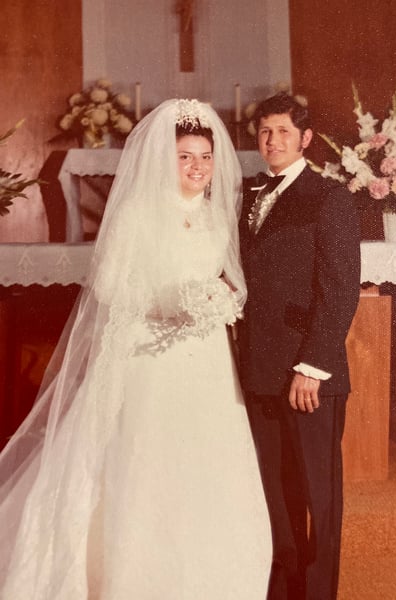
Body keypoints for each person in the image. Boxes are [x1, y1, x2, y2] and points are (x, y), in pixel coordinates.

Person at [0, 99, 272, 599]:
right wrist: (168, 304)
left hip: (207, 358)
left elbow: (229, 278)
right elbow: (108, 285)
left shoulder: (217, 218)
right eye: (186, 157)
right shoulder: (137, 213)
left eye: (205, 157)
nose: (197, 168)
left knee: (208, 457)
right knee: (150, 458)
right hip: (150, 354)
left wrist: (219, 299)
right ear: (163, 160)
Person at [239, 92, 361, 600]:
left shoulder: (329, 197)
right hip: (258, 369)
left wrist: (311, 366)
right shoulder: (245, 194)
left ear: (306, 138)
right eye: (266, 132)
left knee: (317, 495)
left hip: (308, 372)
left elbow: (340, 289)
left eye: (284, 132)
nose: (273, 141)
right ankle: (282, 590)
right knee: (274, 491)